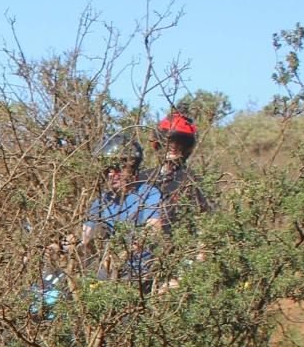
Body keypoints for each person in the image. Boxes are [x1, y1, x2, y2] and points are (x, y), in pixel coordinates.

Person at [78, 132, 164, 291]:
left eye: (118, 168)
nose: (112, 174)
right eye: (108, 169)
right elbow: (85, 238)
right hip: (109, 269)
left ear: (132, 166)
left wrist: (125, 251)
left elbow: (153, 230)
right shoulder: (101, 201)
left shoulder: (148, 193)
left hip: (141, 272)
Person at [146, 108, 213, 258]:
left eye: (180, 143)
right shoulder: (145, 178)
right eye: (169, 141)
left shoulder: (192, 181)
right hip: (142, 256)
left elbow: (205, 223)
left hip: (178, 256)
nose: (174, 147)